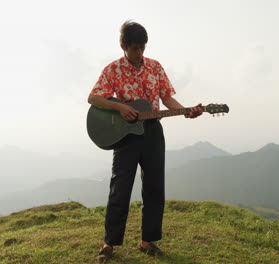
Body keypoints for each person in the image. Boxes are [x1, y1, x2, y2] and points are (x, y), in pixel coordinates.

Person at [88, 20, 203, 262]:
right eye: (135, 48)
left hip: (153, 133)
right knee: (120, 189)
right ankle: (109, 243)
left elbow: (167, 98)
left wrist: (185, 110)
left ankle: (147, 241)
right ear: (123, 46)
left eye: (143, 47)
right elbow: (94, 98)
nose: (140, 53)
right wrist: (119, 107)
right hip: (126, 135)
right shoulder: (113, 70)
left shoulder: (155, 67)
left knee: (154, 188)